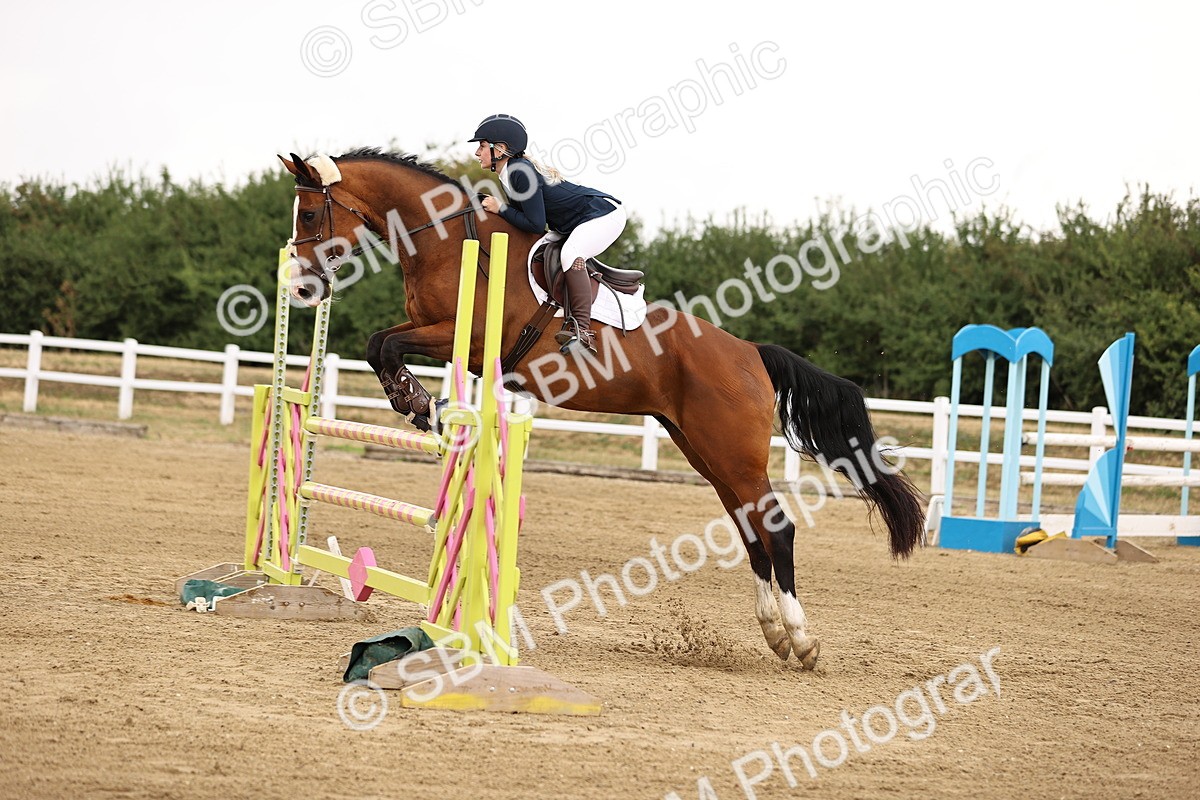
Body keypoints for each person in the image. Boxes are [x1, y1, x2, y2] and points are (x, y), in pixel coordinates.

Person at [469, 113, 626, 354]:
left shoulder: (520, 172)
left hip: (603, 214)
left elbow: (534, 224)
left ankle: (583, 332)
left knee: (571, 254)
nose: (477, 153)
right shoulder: (509, 173)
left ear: (500, 149)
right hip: (575, 221)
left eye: (482, 146)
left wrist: (500, 208)